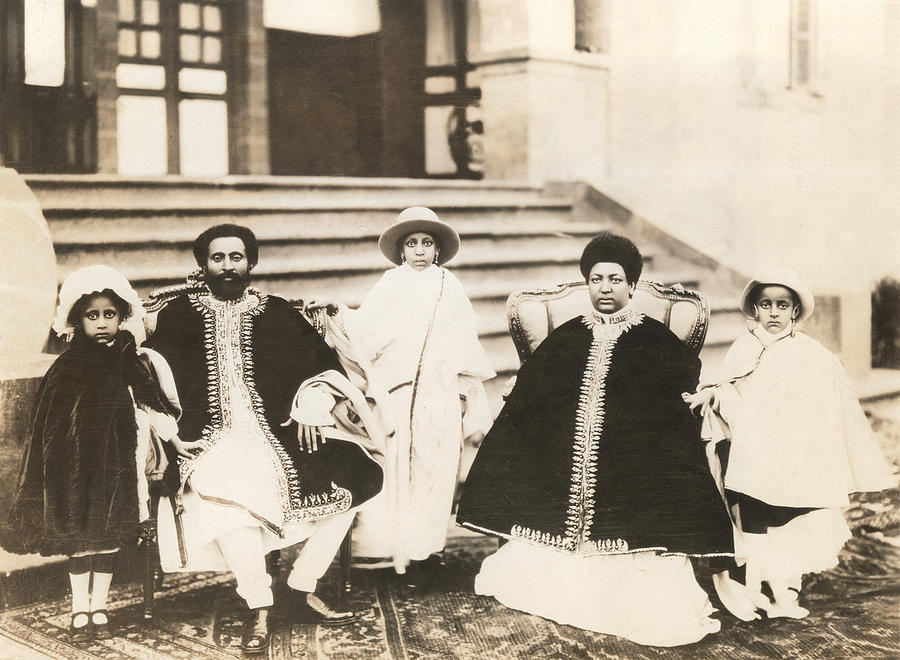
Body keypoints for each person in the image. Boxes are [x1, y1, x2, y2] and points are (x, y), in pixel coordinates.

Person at [456, 232, 734, 647]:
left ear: (632, 286)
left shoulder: (657, 342)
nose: (605, 288)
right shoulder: (567, 336)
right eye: (597, 279)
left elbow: (672, 412)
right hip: (562, 469)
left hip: (630, 472)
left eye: (615, 279)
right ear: (588, 283)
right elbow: (535, 397)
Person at [144, 224, 384, 654]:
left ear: (251, 263)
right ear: (203, 265)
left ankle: (299, 585)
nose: (228, 266)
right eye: (218, 258)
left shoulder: (276, 312)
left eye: (236, 257)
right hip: (208, 438)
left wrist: (311, 401)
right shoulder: (178, 316)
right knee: (224, 491)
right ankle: (259, 603)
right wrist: (168, 433)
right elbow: (149, 382)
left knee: (360, 477)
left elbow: (323, 365)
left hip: (279, 433)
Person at [684, 267, 895, 619]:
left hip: (792, 456)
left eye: (783, 305)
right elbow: (729, 388)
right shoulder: (744, 347)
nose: (774, 312)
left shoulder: (811, 354)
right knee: (753, 518)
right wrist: (714, 395)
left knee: (791, 523)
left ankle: (784, 587)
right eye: (765, 304)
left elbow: (820, 408)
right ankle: (752, 584)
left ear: (795, 310)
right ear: (755, 309)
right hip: (750, 455)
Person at [308, 207, 495, 574]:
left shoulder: (449, 287)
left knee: (434, 472)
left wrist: (460, 393)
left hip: (438, 394)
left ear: (438, 250)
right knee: (395, 470)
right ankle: (397, 551)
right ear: (402, 250)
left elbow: (463, 343)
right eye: (412, 244)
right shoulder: (390, 284)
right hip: (397, 393)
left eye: (428, 243)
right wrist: (338, 311)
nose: (421, 250)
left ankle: (426, 554)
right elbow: (364, 329)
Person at [1, 265, 180, 643]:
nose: (101, 323)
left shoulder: (130, 361)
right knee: (80, 540)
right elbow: (50, 427)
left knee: (109, 537)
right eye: (92, 316)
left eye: (109, 315)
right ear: (77, 320)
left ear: (122, 317)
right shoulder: (67, 367)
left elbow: (150, 405)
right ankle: (79, 607)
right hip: (77, 470)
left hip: (118, 466)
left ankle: (100, 606)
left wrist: (173, 438)